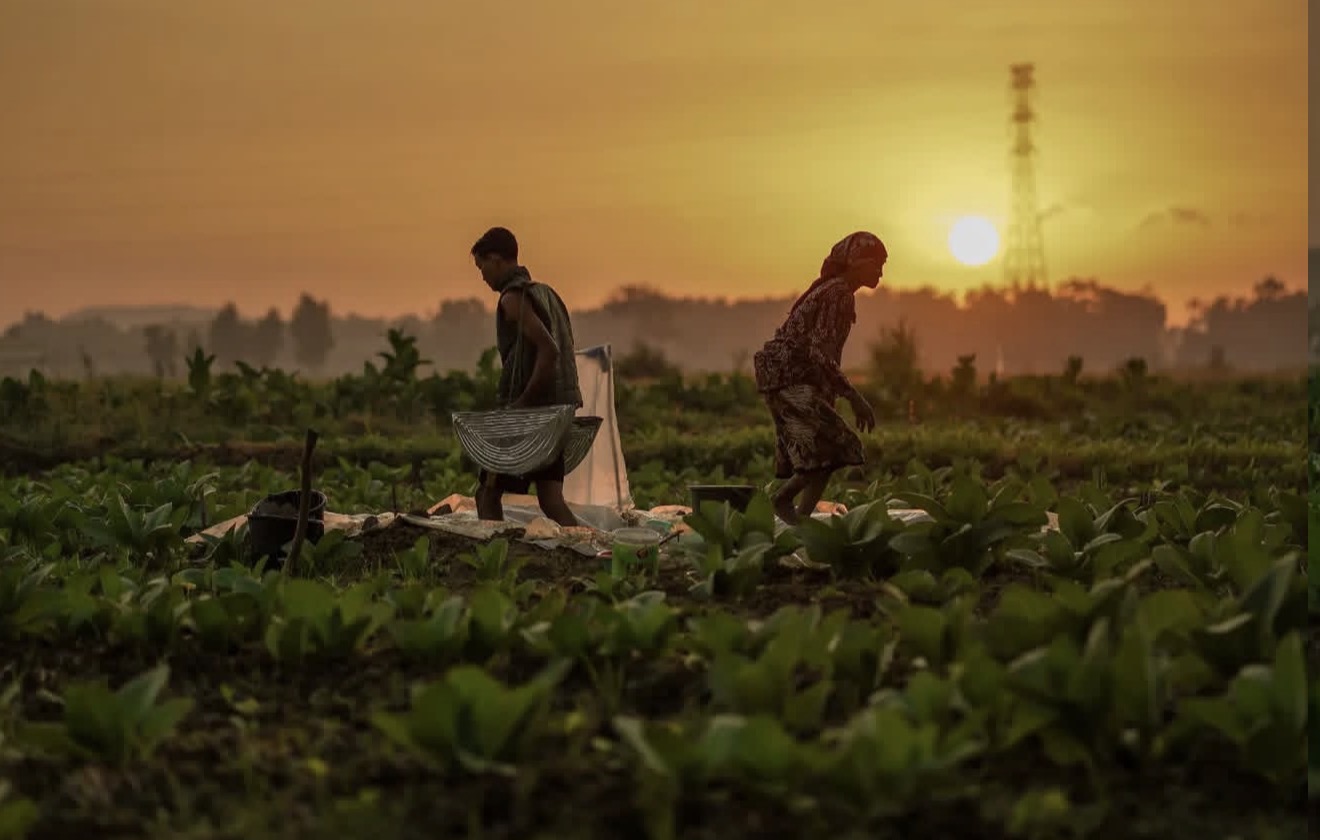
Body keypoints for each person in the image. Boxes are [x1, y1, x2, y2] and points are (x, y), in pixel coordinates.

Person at [753, 231, 884, 524]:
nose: (880, 272)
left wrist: (831, 391)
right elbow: (819, 353)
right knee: (837, 445)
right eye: (876, 263)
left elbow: (820, 354)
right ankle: (783, 502)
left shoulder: (835, 291)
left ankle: (799, 521)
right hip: (789, 378)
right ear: (856, 262)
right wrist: (854, 397)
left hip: (787, 378)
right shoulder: (839, 294)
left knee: (823, 453)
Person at [469, 226, 583, 527]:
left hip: (530, 417)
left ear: (495, 259)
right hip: (556, 414)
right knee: (552, 501)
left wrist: (521, 405)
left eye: (482, 267)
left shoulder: (513, 299)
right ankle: (599, 548)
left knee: (487, 494)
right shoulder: (546, 293)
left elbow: (549, 350)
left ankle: (495, 559)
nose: (482, 276)